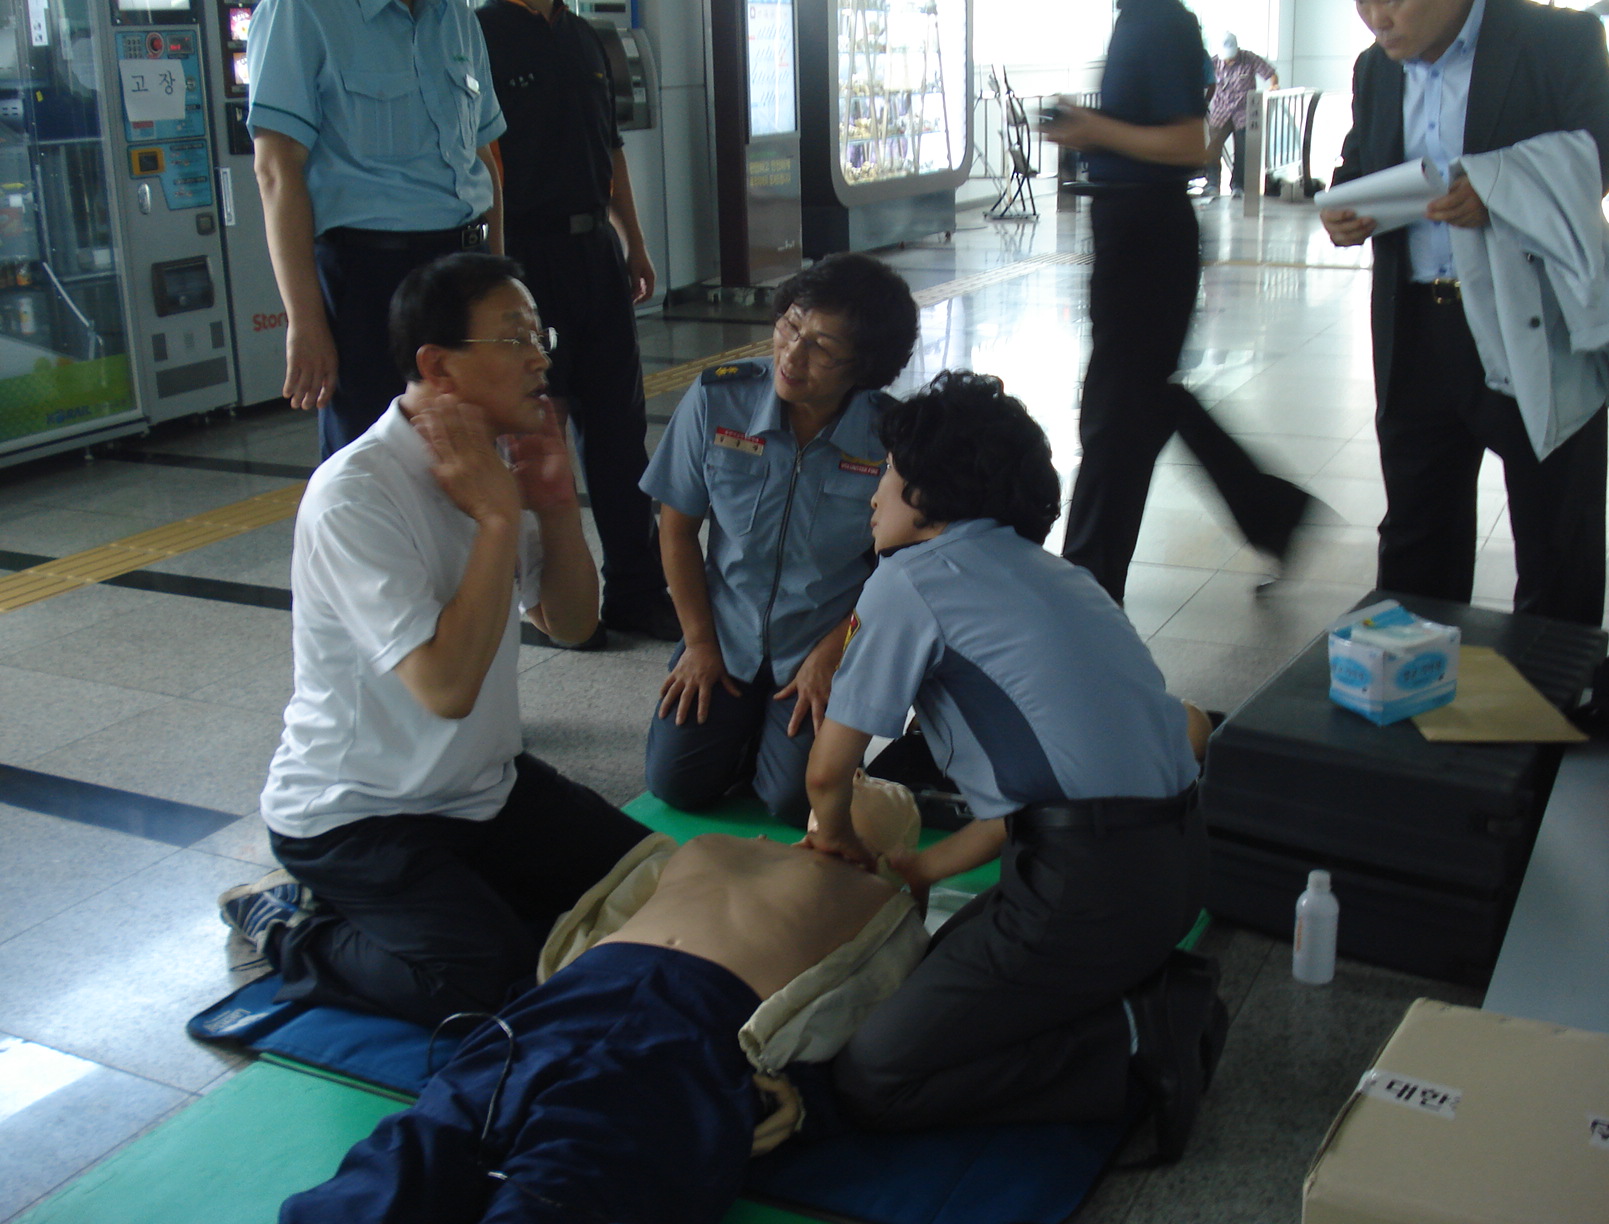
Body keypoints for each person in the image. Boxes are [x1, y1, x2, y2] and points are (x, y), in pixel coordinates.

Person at [803, 371, 1225, 1163]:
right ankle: (1130, 996)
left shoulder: (910, 582)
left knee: (873, 1077)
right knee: (928, 982)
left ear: (930, 494)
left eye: (889, 473)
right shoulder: (1060, 577)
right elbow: (1046, 798)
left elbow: (828, 774)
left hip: (1088, 893)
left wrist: (837, 839)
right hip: (1172, 871)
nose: (874, 494)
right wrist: (924, 867)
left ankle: (1138, 1042)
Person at [221, 253, 651, 1028]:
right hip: (357, 815)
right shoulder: (356, 493)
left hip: (481, 786)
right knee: (479, 980)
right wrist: (497, 517)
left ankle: (458, 897)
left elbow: (574, 624)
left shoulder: (494, 457)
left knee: (654, 884)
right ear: (437, 365)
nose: (540, 358)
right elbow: (446, 688)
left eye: (540, 335)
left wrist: (555, 505)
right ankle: (287, 923)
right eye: (516, 338)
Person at [278, 788, 924, 1224]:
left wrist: (799, 1098)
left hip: (606, 1006)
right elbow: (866, 1019)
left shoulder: (722, 849)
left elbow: (599, 917)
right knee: (542, 1161)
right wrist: (803, 1101)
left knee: (463, 1136)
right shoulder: (885, 909)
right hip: (658, 1021)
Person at [1320, 0, 1609, 627]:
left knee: (1556, 536)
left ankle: (1550, 683)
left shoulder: (1554, 39)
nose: (1376, 17)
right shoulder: (1376, 68)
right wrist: (1344, 208)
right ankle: (1415, 674)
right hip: (1418, 327)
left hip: (1534, 325)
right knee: (1417, 533)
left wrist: (1503, 192)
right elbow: (1361, 161)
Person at [1042, 0, 1312, 605]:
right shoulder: (1137, 19)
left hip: (1147, 236)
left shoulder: (1161, 21)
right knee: (1142, 400)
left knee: (1116, 413)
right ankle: (1268, 510)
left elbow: (1194, 143)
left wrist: (1091, 130)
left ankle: (1085, 587)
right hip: (1130, 227)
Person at [640, 253, 920, 825]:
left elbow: (899, 575)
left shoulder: (890, 437)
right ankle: (747, 734)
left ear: (864, 366)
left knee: (795, 801)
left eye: (823, 348)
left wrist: (834, 653)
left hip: (823, 639)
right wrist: (699, 642)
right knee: (676, 784)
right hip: (726, 634)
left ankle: (768, 741)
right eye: (790, 326)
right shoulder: (718, 398)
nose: (792, 355)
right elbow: (677, 529)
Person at [475, 0, 678, 644]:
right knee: (536, 432)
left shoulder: (585, 34)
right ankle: (553, 601)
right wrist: (498, 274)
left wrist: (634, 242)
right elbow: (481, 159)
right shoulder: (480, 33)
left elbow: (612, 148)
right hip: (524, 254)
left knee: (619, 426)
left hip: (595, 251)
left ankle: (636, 590)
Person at [246, 0, 506, 459]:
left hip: (468, 267)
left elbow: (482, 159)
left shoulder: (456, 16)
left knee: (474, 456)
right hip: (372, 281)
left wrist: (502, 283)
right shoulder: (302, 12)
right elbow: (276, 168)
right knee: (376, 463)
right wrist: (305, 321)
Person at [1205, 34, 1278, 196]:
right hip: (1220, 111)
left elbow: (1270, 72)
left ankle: (1238, 185)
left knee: (1242, 150)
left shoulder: (1249, 58)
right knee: (1213, 147)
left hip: (1244, 112)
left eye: (1231, 57)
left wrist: (1274, 85)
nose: (1228, 60)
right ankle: (1212, 183)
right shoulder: (1214, 62)